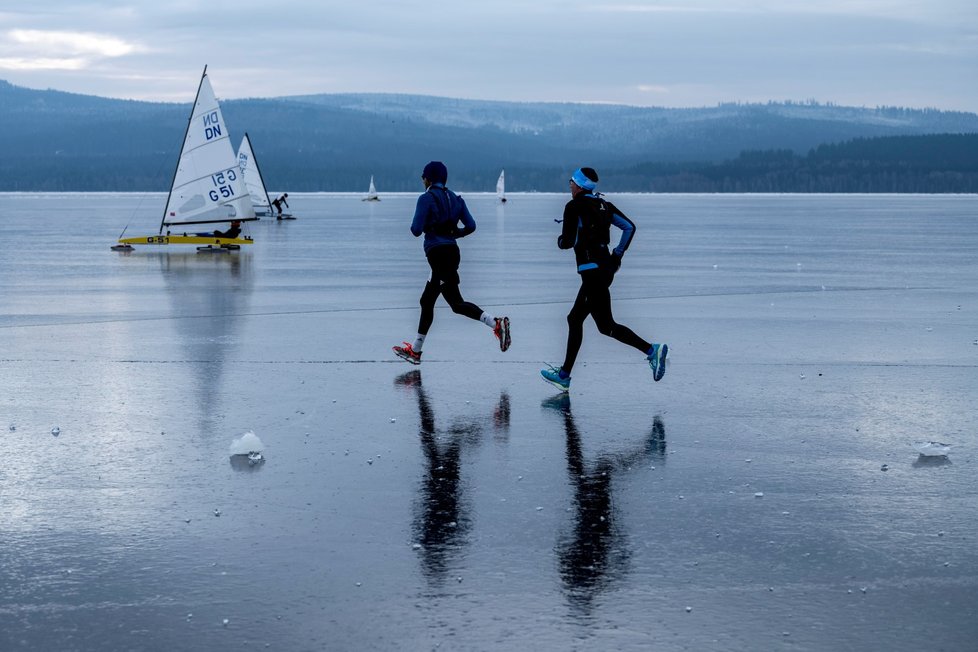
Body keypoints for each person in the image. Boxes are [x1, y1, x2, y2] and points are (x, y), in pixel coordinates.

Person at [540, 167, 667, 391]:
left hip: (591, 272)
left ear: (578, 185)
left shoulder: (573, 206)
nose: (569, 185)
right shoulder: (604, 205)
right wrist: (617, 254)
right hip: (604, 271)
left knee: (599, 324)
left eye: (571, 182)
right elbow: (629, 227)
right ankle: (564, 375)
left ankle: (651, 350)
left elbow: (568, 242)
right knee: (586, 322)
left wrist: (559, 241)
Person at [393, 161, 511, 365]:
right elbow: (471, 226)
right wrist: (456, 233)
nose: (422, 180)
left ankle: (497, 323)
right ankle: (416, 350)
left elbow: (415, 230)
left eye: (423, 177)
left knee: (455, 303)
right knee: (427, 301)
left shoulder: (426, 198)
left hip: (438, 256)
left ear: (428, 179)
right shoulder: (456, 199)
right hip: (452, 252)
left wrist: (430, 228)